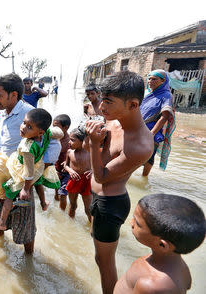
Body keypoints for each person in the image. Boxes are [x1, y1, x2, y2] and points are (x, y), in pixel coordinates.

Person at [85, 71, 154, 294]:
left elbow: (101, 176)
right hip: (97, 198)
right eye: (101, 99)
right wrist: (91, 141)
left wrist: (95, 145)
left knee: (105, 263)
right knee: (97, 256)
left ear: (133, 105)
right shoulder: (112, 121)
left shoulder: (140, 145)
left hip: (110, 204)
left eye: (108, 102)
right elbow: (95, 157)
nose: (101, 106)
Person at [0, 73, 35, 254]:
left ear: (13, 95)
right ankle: (0, 249)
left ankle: (29, 258)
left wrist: (28, 185)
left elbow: (41, 146)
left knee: (25, 222)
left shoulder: (28, 114)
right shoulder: (1, 114)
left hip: (20, 178)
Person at [114, 194, 205, 294]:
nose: (131, 223)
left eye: (138, 223)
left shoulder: (151, 286)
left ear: (162, 245)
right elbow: (187, 285)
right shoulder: (181, 267)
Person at [0, 108, 60, 231]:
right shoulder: (47, 134)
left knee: (9, 193)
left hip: (25, 170)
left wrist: (25, 189)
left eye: (29, 127)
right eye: (24, 123)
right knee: (38, 183)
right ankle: (43, 204)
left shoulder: (27, 146)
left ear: (40, 132)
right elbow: (59, 133)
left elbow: (28, 170)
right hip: (38, 167)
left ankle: (2, 222)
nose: (23, 127)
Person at [140, 69, 175, 177]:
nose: (150, 81)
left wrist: (152, 133)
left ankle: (144, 178)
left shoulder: (166, 95)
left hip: (152, 130)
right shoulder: (146, 94)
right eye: (149, 78)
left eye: (154, 79)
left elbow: (165, 117)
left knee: (149, 157)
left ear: (163, 81)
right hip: (138, 127)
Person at [64, 127, 92, 222]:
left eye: (72, 140)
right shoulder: (69, 152)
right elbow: (66, 165)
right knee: (72, 205)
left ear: (83, 141)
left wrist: (92, 171)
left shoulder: (91, 152)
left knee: (88, 209)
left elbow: (101, 165)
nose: (69, 142)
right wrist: (70, 171)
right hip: (74, 180)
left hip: (87, 181)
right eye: (69, 140)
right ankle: (70, 225)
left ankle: (93, 230)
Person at [53, 114, 71, 210]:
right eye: (53, 126)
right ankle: (57, 211)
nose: (53, 128)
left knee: (63, 194)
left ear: (65, 128)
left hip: (66, 172)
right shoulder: (55, 139)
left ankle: (62, 215)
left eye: (56, 126)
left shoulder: (70, 141)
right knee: (56, 192)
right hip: (56, 169)